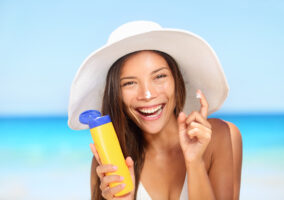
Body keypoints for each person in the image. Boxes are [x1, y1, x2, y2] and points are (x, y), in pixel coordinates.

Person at [68, 21, 242, 200]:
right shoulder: (108, 162)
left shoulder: (219, 136)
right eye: (130, 83)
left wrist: (195, 163)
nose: (147, 94)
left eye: (159, 76)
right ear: (116, 94)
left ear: (177, 79)